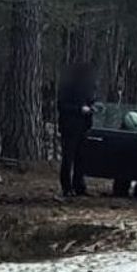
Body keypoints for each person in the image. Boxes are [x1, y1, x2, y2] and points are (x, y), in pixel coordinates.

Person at [57, 63, 97, 196]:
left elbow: (90, 101)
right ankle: (66, 188)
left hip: (83, 127)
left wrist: (93, 108)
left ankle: (79, 186)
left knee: (81, 158)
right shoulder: (67, 87)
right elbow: (62, 106)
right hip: (69, 128)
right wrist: (79, 109)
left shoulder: (88, 88)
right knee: (68, 159)